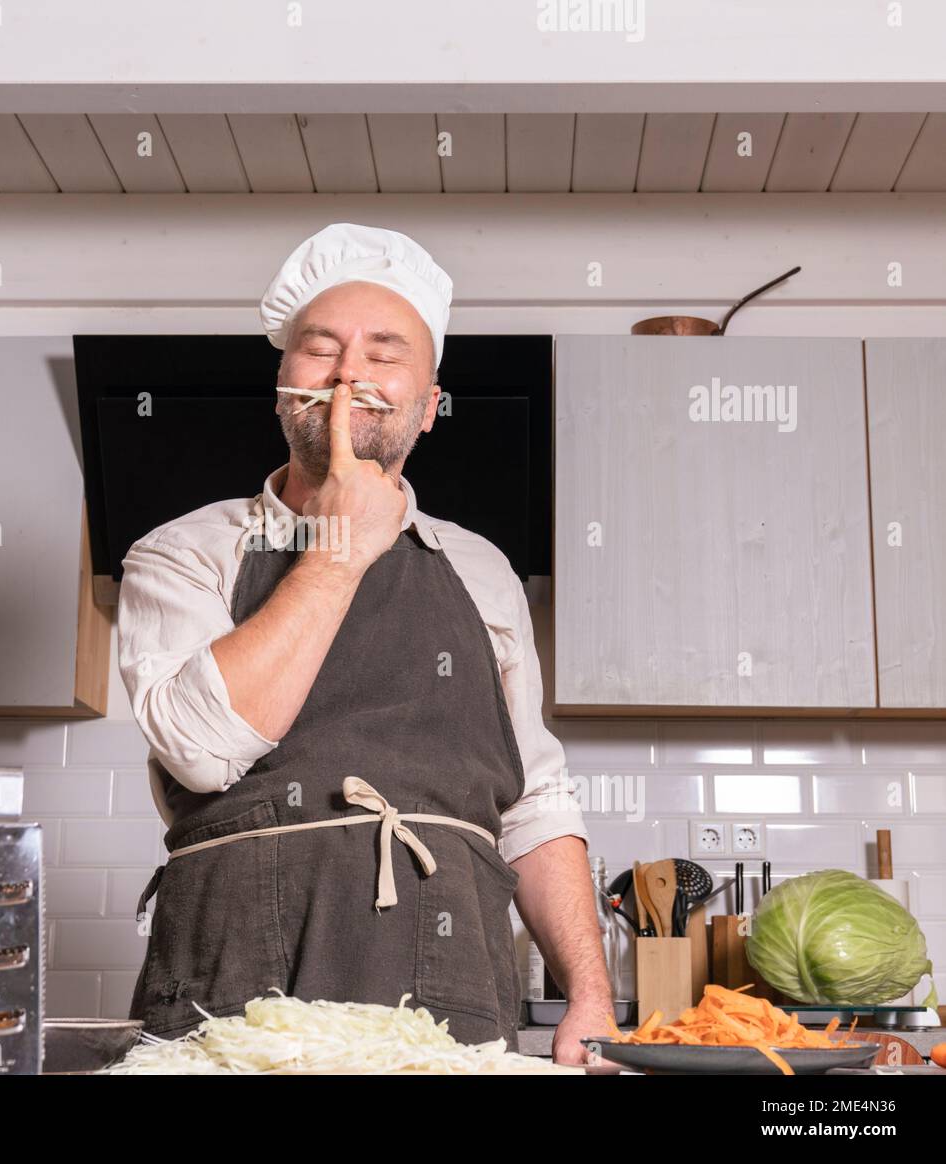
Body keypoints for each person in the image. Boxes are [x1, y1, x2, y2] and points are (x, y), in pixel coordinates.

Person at [117, 222, 611, 1063]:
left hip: (454, 987)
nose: (350, 373)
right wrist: (339, 549)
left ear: (427, 404)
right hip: (230, 993)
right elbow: (201, 752)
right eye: (321, 349)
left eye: (386, 353)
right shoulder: (182, 552)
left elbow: (533, 803)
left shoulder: (482, 571)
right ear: (282, 388)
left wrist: (590, 994)